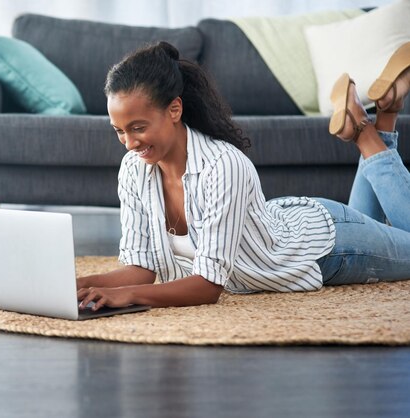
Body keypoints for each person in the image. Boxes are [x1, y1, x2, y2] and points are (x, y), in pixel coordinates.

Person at [76, 41, 410, 312]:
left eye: (138, 128)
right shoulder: (134, 169)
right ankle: (387, 114)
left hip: (328, 247)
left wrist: (130, 295)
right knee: (379, 223)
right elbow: (141, 267)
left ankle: (365, 136)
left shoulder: (223, 165)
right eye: (119, 131)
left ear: (174, 110)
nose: (130, 143)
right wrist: (77, 285)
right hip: (286, 221)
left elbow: (208, 286)